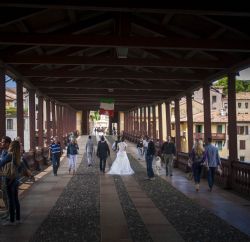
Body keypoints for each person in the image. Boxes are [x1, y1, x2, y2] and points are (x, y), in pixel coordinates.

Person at [0, 140, 21, 226]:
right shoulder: (18, 155)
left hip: (9, 178)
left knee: (10, 199)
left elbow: (1, 163)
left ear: (11, 146)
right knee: (15, 199)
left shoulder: (9, 155)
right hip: (16, 178)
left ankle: (12, 220)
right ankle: (18, 218)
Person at [0, 136, 12, 221]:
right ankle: (8, 212)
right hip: (3, 176)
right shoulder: (3, 151)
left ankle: (10, 214)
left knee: (8, 196)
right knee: (4, 196)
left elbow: (1, 162)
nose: (1, 143)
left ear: (8, 143)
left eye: (3, 142)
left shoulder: (9, 153)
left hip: (8, 177)